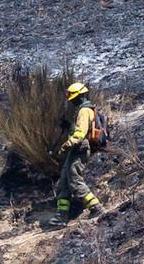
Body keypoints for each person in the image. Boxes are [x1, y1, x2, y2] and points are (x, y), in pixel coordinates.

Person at [48, 82, 103, 227]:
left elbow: (80, 133)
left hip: (79, 148)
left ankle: (97, 208)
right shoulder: (82, 110)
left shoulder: (84, 111)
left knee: (74, 180)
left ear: (79, 96)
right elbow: (77, 130)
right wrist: (68, 127)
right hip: (76, 148)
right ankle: (61, 216)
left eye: (72, 98)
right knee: (64, 182)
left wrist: (67, 144)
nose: (71, 101)